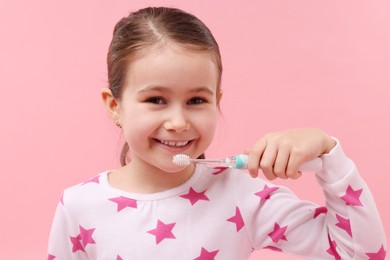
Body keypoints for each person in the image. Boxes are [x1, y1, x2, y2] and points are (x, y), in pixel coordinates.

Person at [47, 6, 386, 260]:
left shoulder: (241, 195)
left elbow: (362, 252)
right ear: (114, 105)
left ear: (217, 102)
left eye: (196, 99)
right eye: (156, 99)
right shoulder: (79, 206)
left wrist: (329, 156)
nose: (178, 121)